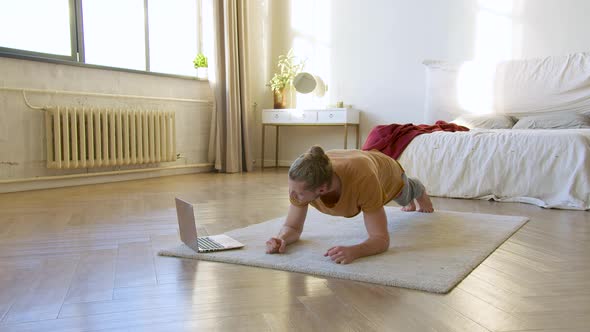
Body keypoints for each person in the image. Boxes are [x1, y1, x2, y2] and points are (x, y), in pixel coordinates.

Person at [265, 145, 434, 264]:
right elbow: (293, 228)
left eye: (298, 193)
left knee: (404, 197)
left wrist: (355, 251)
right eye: (291, 189)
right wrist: (281, 239)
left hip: (386, 171)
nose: (292, 196)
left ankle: (418, 188)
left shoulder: (364, 180)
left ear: (322, 189)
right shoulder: (302, 183)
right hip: (354, 161)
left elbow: (381, 239)